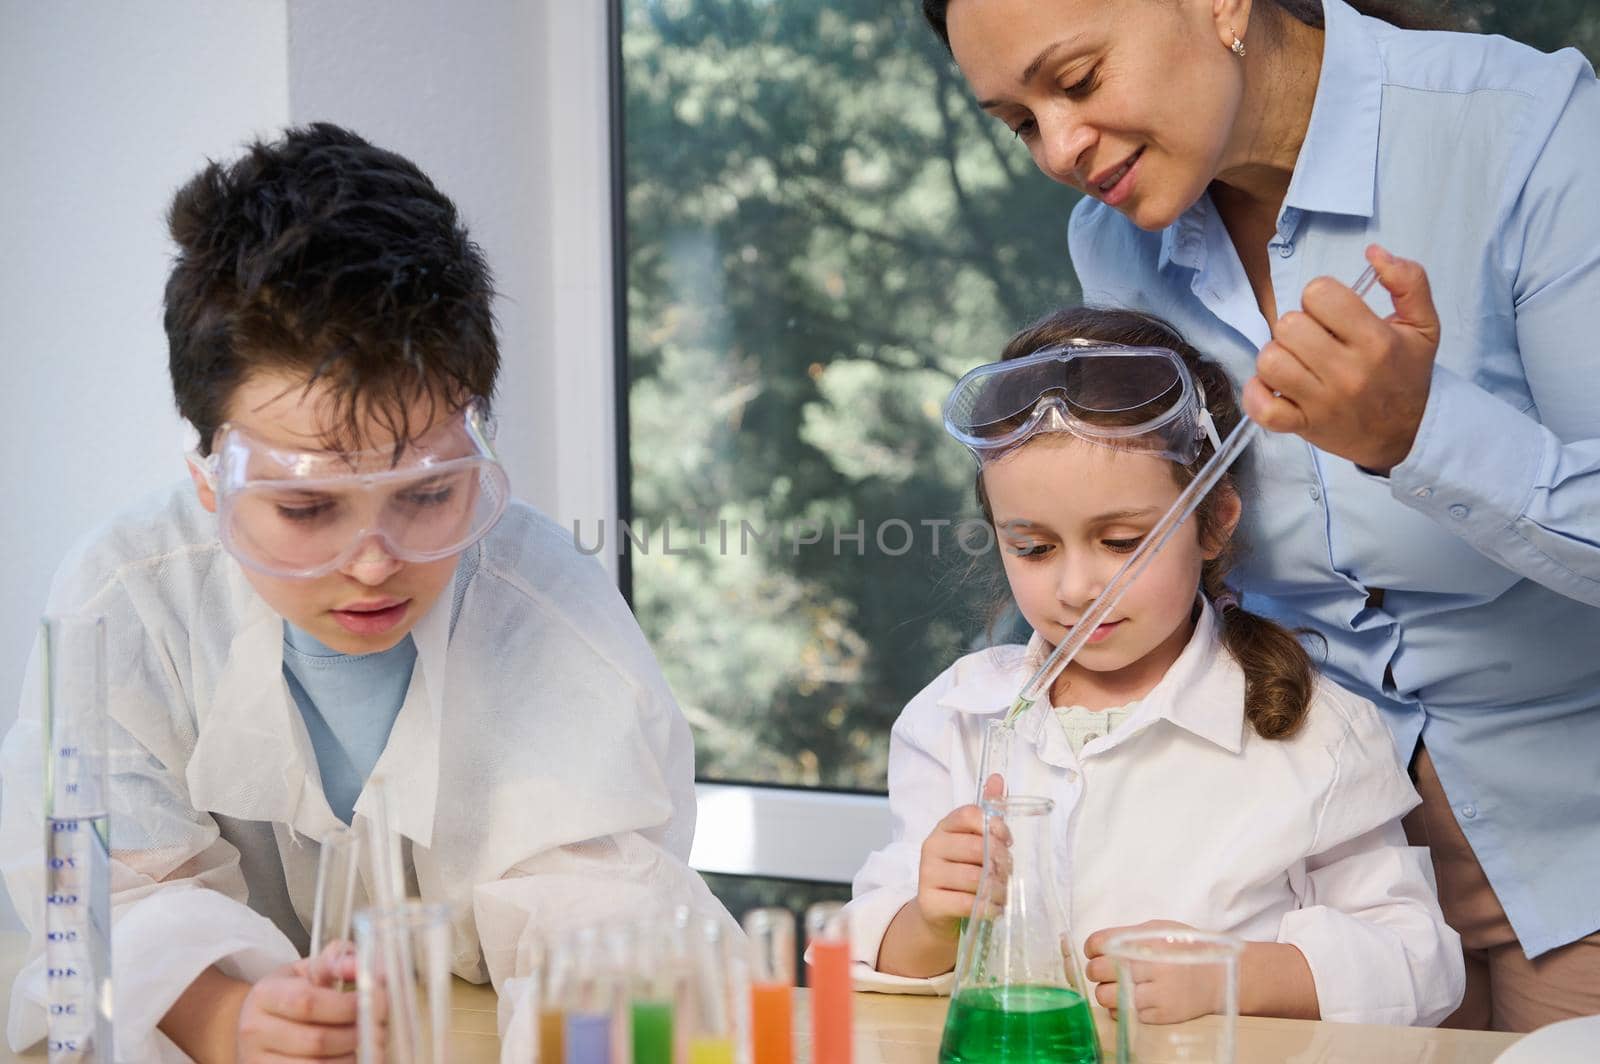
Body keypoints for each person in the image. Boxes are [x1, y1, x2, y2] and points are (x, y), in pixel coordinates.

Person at [920, 0, 1600, 1032]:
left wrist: (1418, 432)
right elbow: (1149, 535)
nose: (1057, 148)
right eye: (1018, 121)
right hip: (1309, 892)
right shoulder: (1114, 241)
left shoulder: (1534, 135)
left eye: (1078, 79)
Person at [0, 123, 728, 1062]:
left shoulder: (541, 603)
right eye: (306, 508)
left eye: (428, 494)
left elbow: (609, 912)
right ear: (209, 481)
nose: (374, 561)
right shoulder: (127, 596)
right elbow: (100, 892)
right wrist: (226, 1019)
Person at [847, 306, 1463, 1026]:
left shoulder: (1313, 730)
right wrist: (929, 921)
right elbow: (870, 955)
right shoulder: (954, 721)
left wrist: (1236, 978)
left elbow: (1420, 963)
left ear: (1215, 520)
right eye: (1034, 548)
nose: (1078, 588)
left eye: (1121, 541)